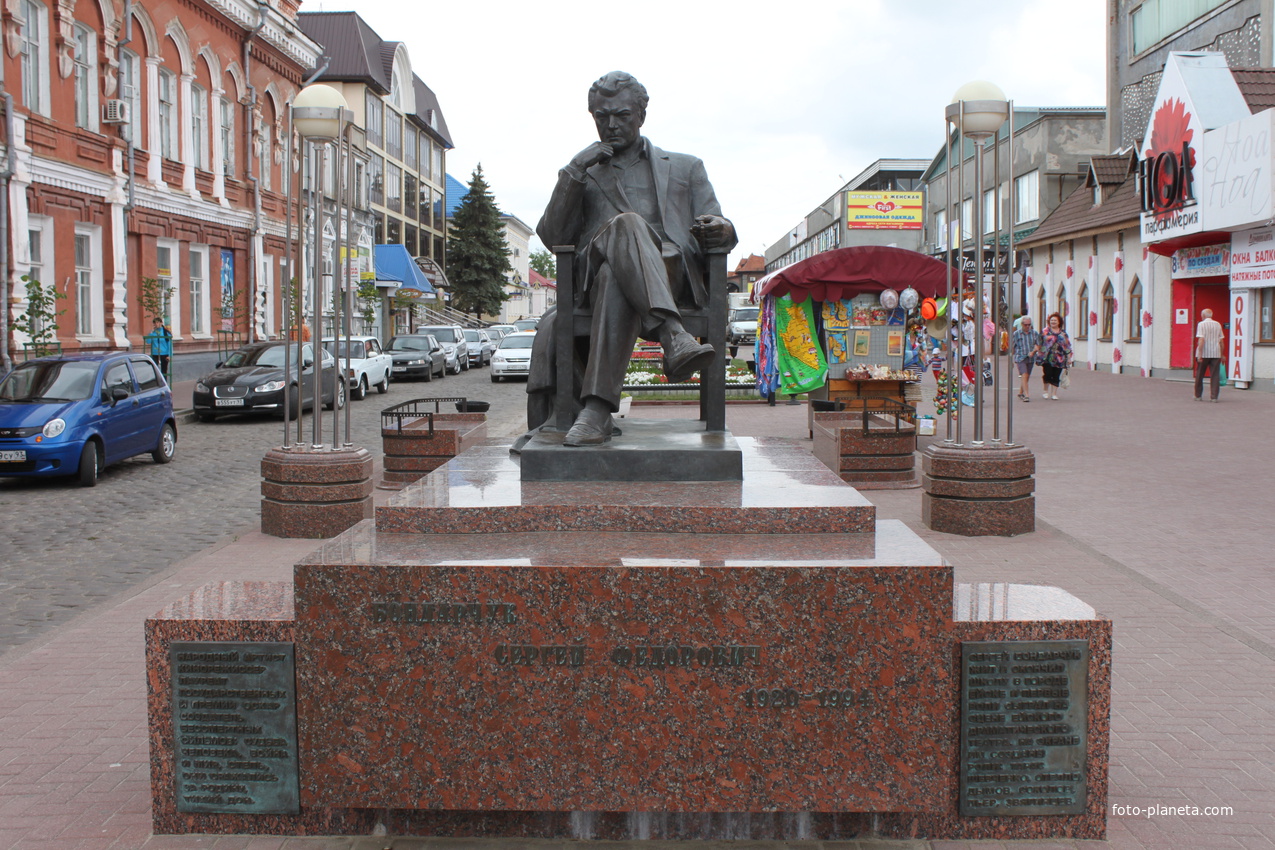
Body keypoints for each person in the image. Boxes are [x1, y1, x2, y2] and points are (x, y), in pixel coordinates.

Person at [533, 71, 738, 446]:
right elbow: (553, 237)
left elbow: (717, 219)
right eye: (601, 116)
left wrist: (721, 229)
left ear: (641, 115)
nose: (610, 125)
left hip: (672, 278)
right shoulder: (585, 171)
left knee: (617, 275)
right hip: (593, 283)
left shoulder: (685, 166)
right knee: (623, 235)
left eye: (622, 115)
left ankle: (596, 412)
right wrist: (574, 170)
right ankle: (674, 337)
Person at [1038, 312, 1072, 400]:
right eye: (1051, 320)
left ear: (1059, 322)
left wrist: (1069, 358)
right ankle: (1045, 391)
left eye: (1055, 320)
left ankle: (1054, 393)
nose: (1053, 322)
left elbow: (1067, 346)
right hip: (1047, 357)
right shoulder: (1045, 331)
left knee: (1056, 375)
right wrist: (1037, 352)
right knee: (1048, 374)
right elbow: (1039, 342)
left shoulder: (1063, 334)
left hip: (1059, 358)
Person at [1194, 307, 1225, 402]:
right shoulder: (1217, 324)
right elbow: (1221, 341)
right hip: (1216, 353)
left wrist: (1199, 354)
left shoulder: (1201, 324)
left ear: (1203, 315)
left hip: (1204, 353)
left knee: (1200, 375)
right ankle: (1214, 397)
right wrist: (1222, 354)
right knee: (1215, 375)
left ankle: (1198, 395)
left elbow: (1201, 340)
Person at [1010, 315, 1043, 402]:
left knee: (1027, 376)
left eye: (1029, 325)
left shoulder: (1034, 333)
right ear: (1022, 324)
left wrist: (1035, 350)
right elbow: (1012, 347)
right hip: (1020, 357)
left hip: (1031, 358)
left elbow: (1039, 345)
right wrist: (1011, 359)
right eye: (1026, 325)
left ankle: (1021, 392)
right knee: (1024, 374)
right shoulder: (1016, 334)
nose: (1028, 326)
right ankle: (1027, 395)